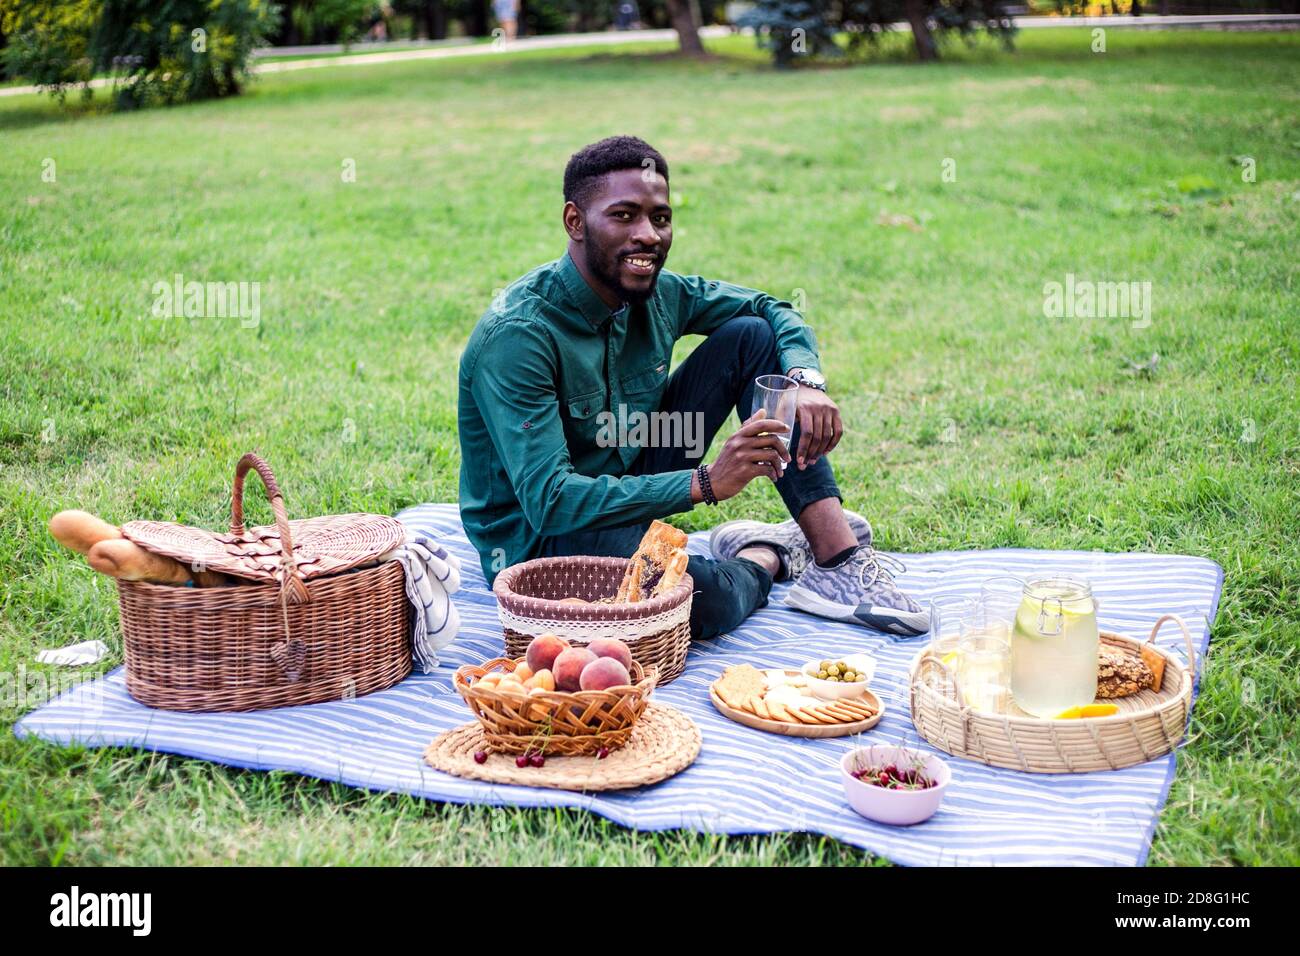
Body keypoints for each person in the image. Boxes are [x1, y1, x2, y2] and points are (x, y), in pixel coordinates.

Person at [457, 136, 927, 640]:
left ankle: (837, 563)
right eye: (624, 216)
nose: (649, 235)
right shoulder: (519, 336)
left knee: (752, 335)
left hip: (630, 463)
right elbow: (549, 500)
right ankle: (766, 553)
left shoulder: (660, 293)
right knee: (706, 603)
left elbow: (771, 308)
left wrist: (804, 380)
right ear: (575, 222)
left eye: (660, 218)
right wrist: (706, 483)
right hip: (546, 541)